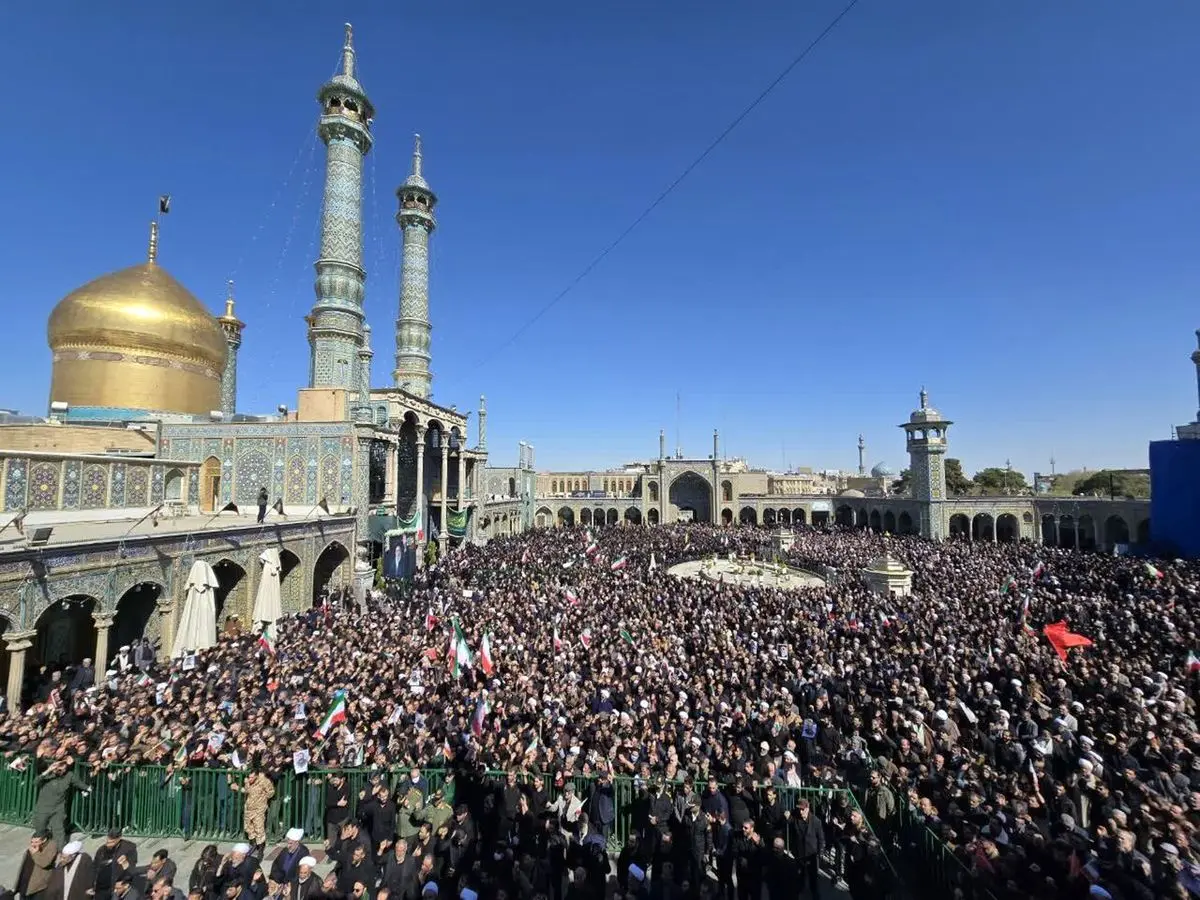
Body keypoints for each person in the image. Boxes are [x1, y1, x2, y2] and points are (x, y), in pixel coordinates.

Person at [15, 831, 58, 900]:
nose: (33, 844)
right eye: (32, 842)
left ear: (44, 840)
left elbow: (44, 863)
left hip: (39, 886)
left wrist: (35, 853)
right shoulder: (33, 848)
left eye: (36, 842)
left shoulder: (51, 846)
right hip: (25, 881)